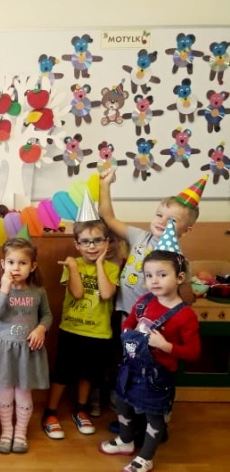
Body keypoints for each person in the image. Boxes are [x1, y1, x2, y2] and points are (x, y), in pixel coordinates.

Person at [99, 173, 207, 438]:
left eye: (172, 220)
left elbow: (185, 300)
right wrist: (105, 184)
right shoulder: (139, 236)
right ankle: (130, 419)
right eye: (159, 214)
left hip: (158, 330)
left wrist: (190, 286)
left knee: (152, 372)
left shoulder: (178, 260)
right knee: (128, 368)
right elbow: (108, 218)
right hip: (127, 316)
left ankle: (155, 422)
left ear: (185, 230)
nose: (162, 221)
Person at [100, 239, 200, 472]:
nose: (154, 280)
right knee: (122, 402)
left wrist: (165, 346)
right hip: (130, 366)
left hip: (157, 376)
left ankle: (146, 456)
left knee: (153, 415)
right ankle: (125, 440)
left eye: (162, 274)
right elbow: (129, 322)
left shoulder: (185, 315)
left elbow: (193, 352)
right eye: (149, 275)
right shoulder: (143, 301)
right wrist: (127, 332)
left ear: (179, 278)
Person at [42, 219, 119, 440]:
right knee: (62, 373)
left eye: (97, 241)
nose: (92, 246)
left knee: (88, 374)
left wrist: (100, 264)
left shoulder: (112, 268)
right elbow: (77, 293)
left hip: (99, 332)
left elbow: (106, 294)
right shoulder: (72, 264)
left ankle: (80, 409)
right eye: (85, 241)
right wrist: (74, 268)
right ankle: (50, 412)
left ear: (106, 242)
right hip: (72, 329)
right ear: (77, 245)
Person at [0, 236, 53, 455]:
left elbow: (47, 315)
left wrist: (41, 328)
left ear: (32, 266)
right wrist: (5, 289)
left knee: (23, 393)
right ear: (3, 264)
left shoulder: (38, 291)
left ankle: (21, 433)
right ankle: (7, 432)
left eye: (22, 263)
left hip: (28, 351)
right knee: (5, 392)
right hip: (4, 351)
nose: (16, 268)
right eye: (11, 262)